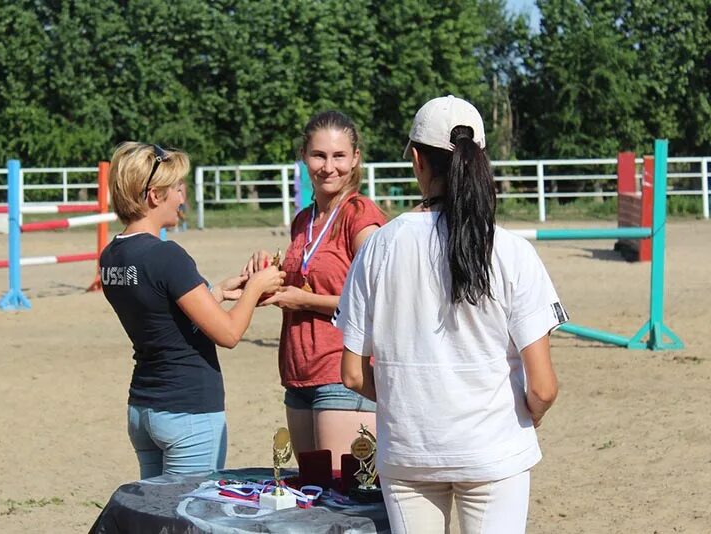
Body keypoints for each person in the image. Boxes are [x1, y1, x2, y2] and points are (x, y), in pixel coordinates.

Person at [335, 96, 565, 533]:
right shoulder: (514, 252)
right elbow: (544, 387)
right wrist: (525, 413)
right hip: (494, 449)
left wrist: (412, 402)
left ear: (417, 160)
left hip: (409, 451)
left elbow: (351, 373)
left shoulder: (379, 247)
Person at [100, 142, 284, 479]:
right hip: (187, 409)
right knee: (191, 517)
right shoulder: (167, 256)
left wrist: (215, 294)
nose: (182, 198)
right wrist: (256, 286)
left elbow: (159, 314)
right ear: (155, 195)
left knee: (156, 517)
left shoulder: (111, 256)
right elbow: (228, 334)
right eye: (177, 189)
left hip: (144, 405)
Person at [243, 111, 386, 470]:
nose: (328, 166)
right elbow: (302, 278)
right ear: (304, 156)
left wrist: (304, 300)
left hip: (343, 375)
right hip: (298, 375)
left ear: (355, 158)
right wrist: (267, 272)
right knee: (312, 494)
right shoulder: (303, 221)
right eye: (319, 155)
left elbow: (377, 300)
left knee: (344, 498)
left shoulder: (360, 216)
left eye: (339, 156)